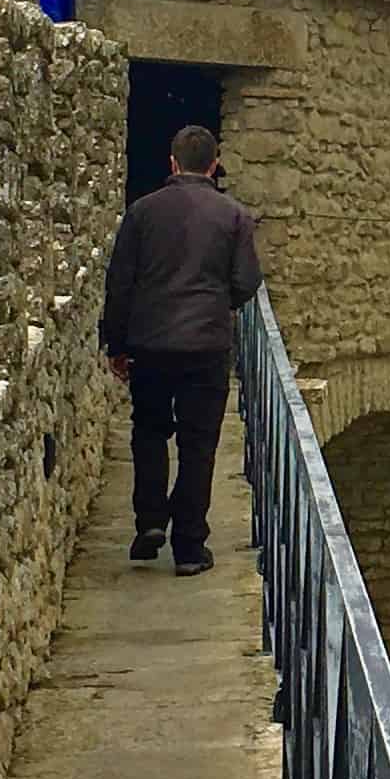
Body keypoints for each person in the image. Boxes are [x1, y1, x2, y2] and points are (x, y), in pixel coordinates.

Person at [99, 121, 260, 573]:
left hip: (150, 342)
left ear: (172, 163)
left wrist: (117, 342)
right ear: (215, 163)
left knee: (149, 431)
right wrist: (215, 304)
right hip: (206, 346)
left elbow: (120, 282)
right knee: (198, 443)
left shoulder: (142, 212)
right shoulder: (234, 217)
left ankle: (150, 521)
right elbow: (246, 281)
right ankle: (189, 546)